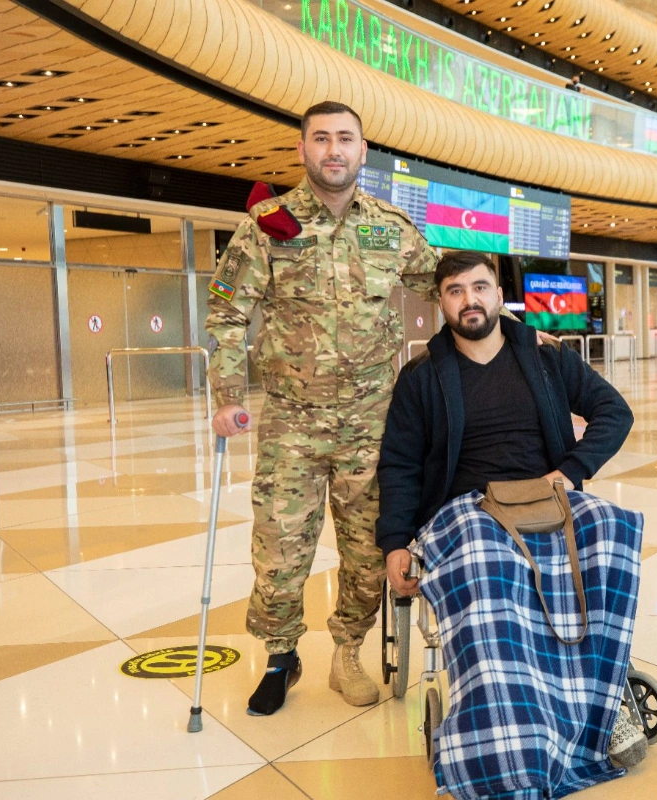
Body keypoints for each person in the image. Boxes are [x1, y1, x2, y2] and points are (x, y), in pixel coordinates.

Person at [205, 101, 445, 716]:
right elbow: (228, 312)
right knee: (280, 549)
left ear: (363, 151)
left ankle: (348, 651)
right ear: (302, 149)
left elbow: (447, 285)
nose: (333, 149)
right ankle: (282, 655)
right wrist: (228, 396)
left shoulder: (391, 226)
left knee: (370, 551)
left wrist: (515, 339)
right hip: (292, 421)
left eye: (345, 139)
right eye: (321, 139)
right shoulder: (267, 225)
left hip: (373, 423)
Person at [376, 251, 646, 796]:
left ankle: (603, 699)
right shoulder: (422, 377)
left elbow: (614, 412)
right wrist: (394, 544)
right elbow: (400, 465)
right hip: (466, 509)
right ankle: (512, 729)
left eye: (480, 287)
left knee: (610, 534)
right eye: (455, 290)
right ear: (442, 303)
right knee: (492, 567)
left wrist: (571, 472)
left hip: (545, 497)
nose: (469, 299)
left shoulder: (546, 359)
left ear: (500, 296)